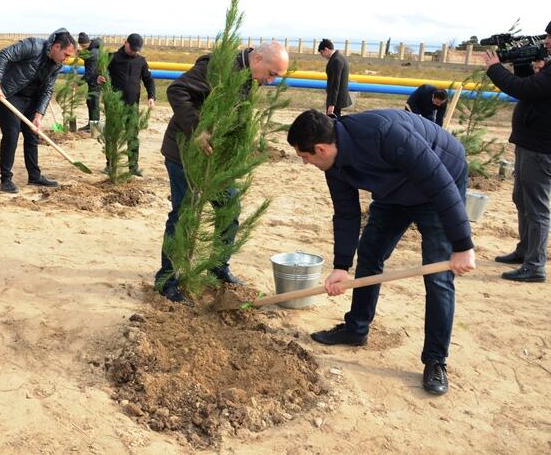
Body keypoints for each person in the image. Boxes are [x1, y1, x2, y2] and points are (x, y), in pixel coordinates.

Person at [287, 108, 476, 396]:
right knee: (370, 253)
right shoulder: (333, 164)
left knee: (438, 276)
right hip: (394, 193)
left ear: (321, 149)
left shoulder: (384, 133)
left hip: (439, 183)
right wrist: (341, 266)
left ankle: (436, 360)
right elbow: (346, 213)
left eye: (305, 157)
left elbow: (440, 184)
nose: (305, 163)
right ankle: (356, 328)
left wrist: (463, 245)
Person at [155, 41, 290, 301]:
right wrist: (196, 129)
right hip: (184, 153)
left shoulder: (250, 76)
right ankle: (166, 280)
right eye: (272, 73)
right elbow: (177, 90)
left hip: (213, 160)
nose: (271, 81)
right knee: (183, 214)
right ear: (258, 58)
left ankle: (217, 267)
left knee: (229, 207)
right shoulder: (219, 67)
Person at [484, 21, 551, 283]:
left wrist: (494, 68)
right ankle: (525, 251)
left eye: (550, 37)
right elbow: (530, 85)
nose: (546, 41)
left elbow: (523, 89)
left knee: (536, 207)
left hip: (540, 149)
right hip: (530, 145)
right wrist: (523, 63)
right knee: (521, 199)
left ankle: (535, 265)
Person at [0, 29, 77, 194]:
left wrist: (38, 114)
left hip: (31, 98)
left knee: (32, 135)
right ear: (56, 47)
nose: (67, 59)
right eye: (66, 54)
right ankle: (6, 179)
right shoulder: (33, 46)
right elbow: (3, 55)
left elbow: (48, 90)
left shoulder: (56, 65)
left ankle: (34, 176)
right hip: (8, 94)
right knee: (12, 134)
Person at [104, 33, 156, 176]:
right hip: (114, 104)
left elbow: (148, 80)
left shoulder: (141, 61)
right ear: (125, 42)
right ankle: (110, 165)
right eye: (132, 48)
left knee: (132, 136)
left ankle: (133, 167)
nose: (134, 51)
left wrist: (152, 96)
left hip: (133, 105)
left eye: (136, 49)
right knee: (112, 136)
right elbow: (98, 74)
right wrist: (99, 78)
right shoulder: (112, 58)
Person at [318, 38, 352, 117]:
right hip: (337, 98)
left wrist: (332, 104)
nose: (322, 55)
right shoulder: (339, 57)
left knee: (332, 122)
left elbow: (335, 84)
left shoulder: (336, 60)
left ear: (326, 49)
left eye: (322, 53)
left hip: (336, 100)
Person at [77, 32, 102, 131]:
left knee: (94, 103)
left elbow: (89, 73)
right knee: (90, 101)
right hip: (93, 81)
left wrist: (78, 83)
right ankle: (90, 125)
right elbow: (84, 55)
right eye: (81, 46)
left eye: (83, 46)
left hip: (96, 81)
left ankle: (94, 127)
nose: (82, 47)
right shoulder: (91, 49)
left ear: (88, 43)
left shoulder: (93, 53)